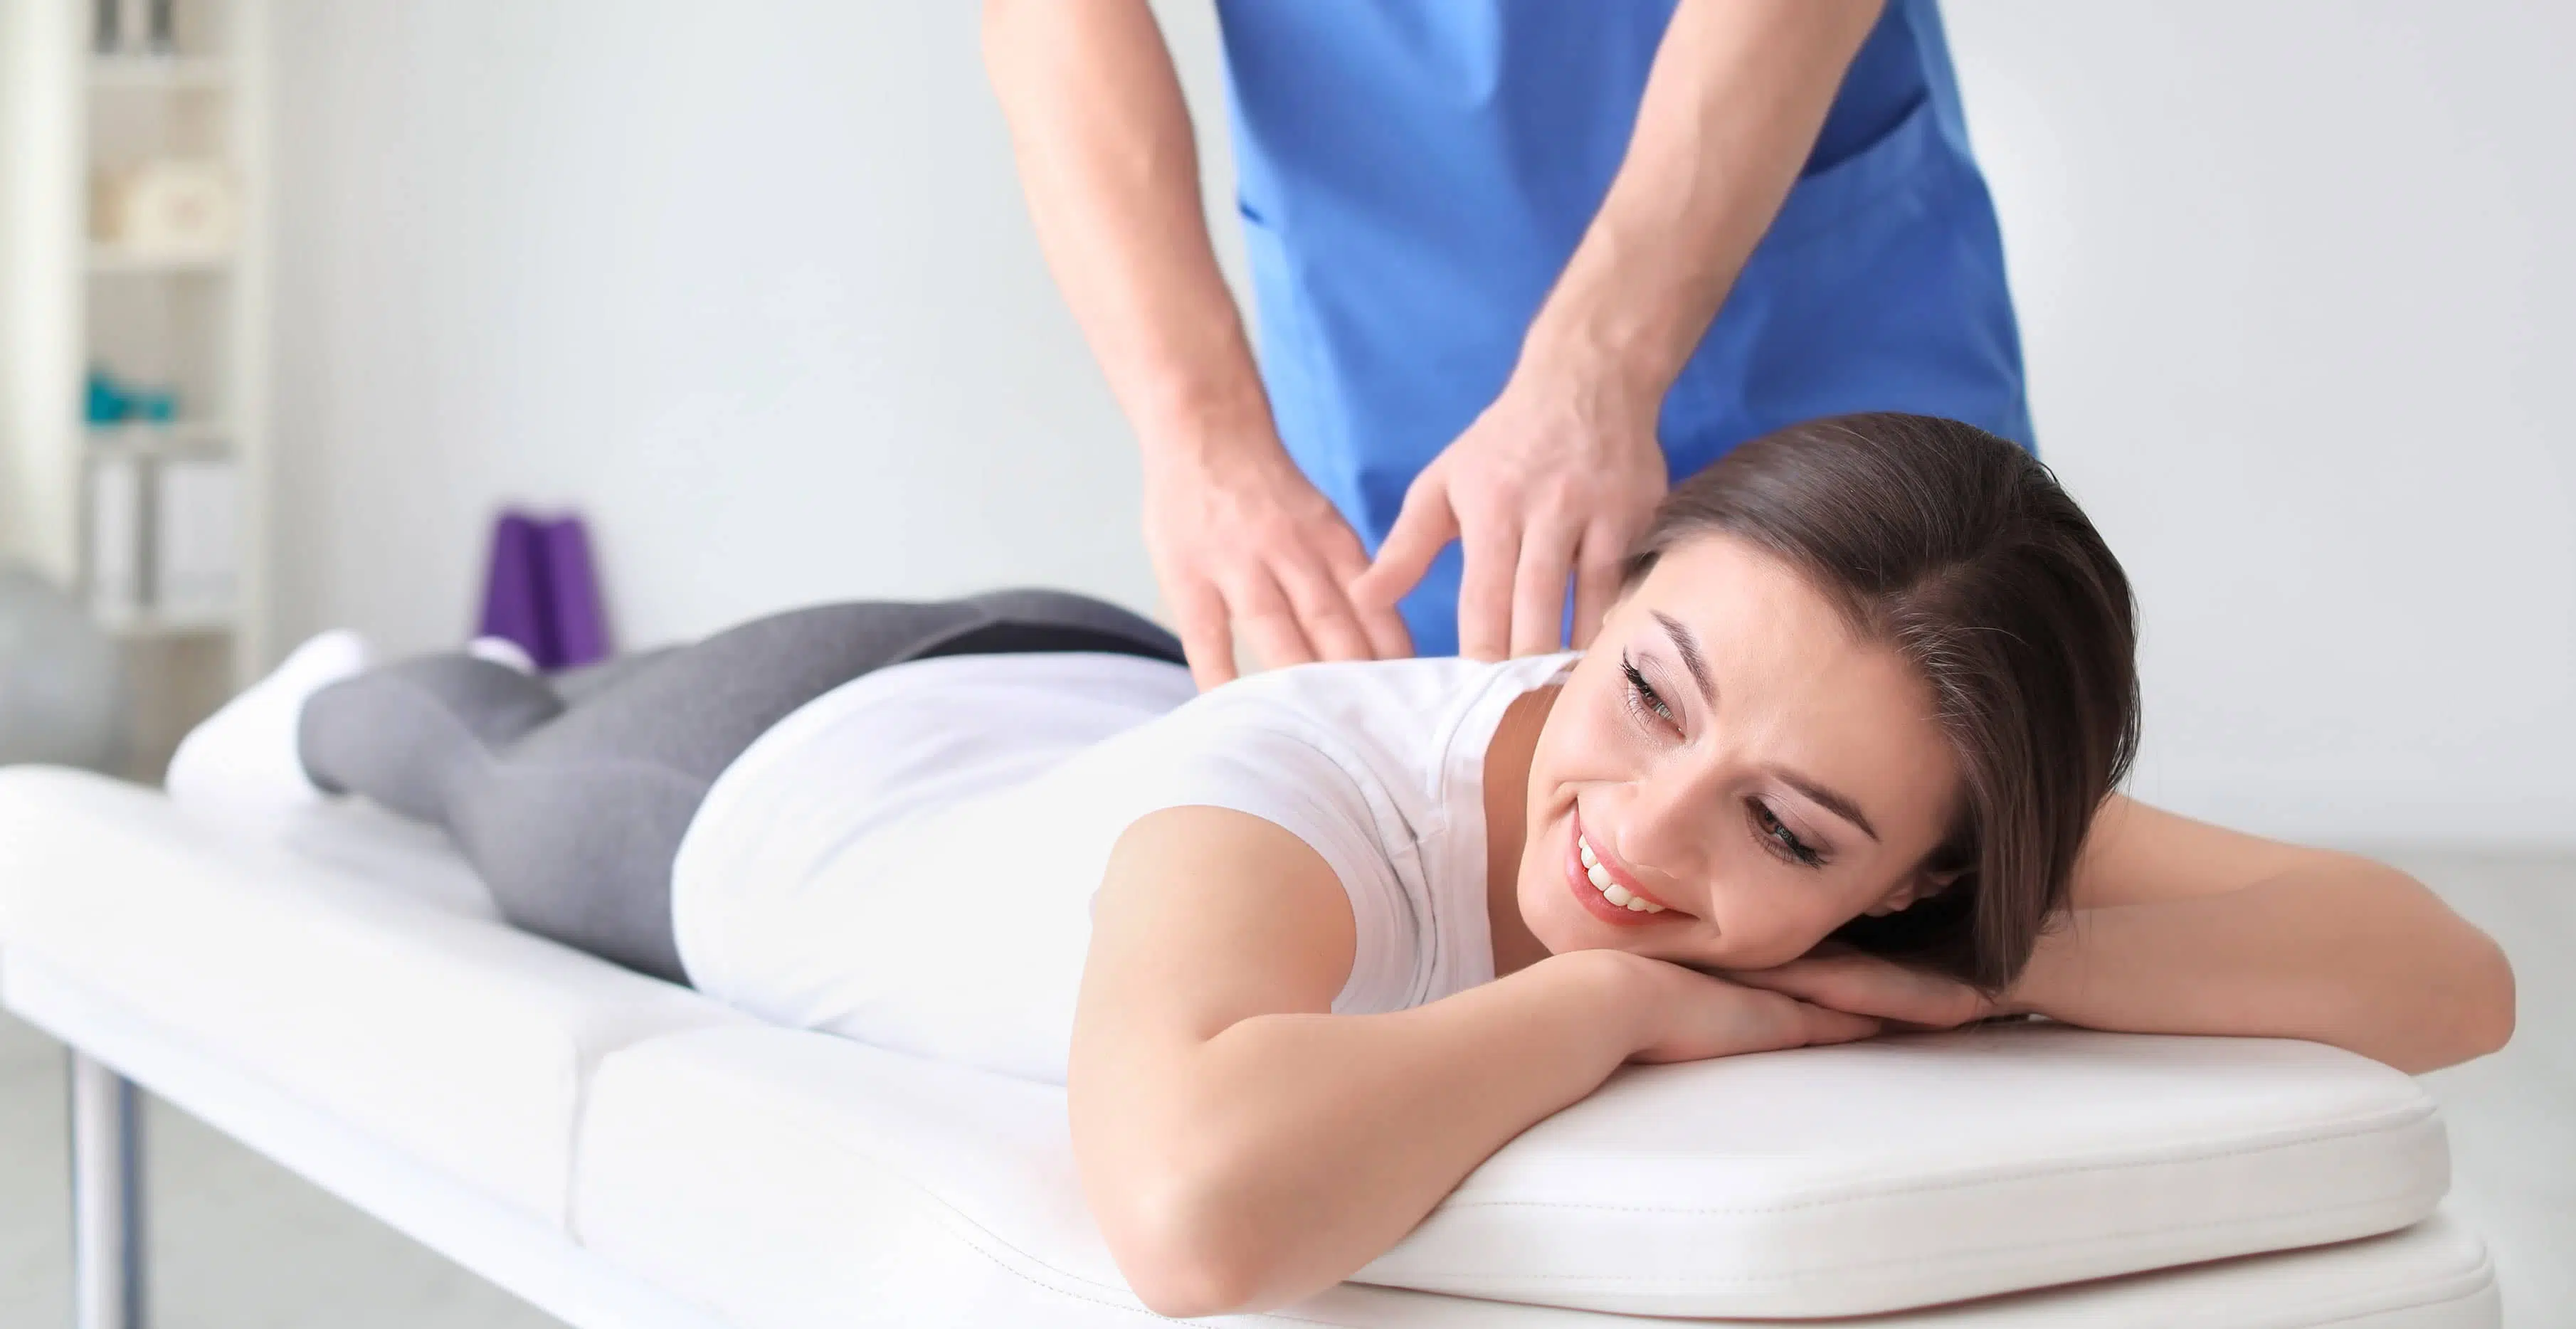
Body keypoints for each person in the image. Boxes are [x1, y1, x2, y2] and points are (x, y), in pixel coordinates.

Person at [167, 415, 2513, 1319]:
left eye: (1792, 831)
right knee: (467, 745)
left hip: (1076, 713)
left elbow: (2445, 973)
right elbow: (1197, 1218)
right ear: (1613, 593)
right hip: (771, 782)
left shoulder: (1887, 750)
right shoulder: (1318, 786)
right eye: (1647, 684)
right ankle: (341, 689)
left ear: (1910, 868)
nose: (1647, 828)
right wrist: (1626, 995)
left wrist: (2001, 969)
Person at [985, 0, 2029, 681]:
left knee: (1928, 812)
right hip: (1387, 347)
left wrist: (1598, 365)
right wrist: (1201, 433)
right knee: (1467, 850)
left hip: (1808, 286)